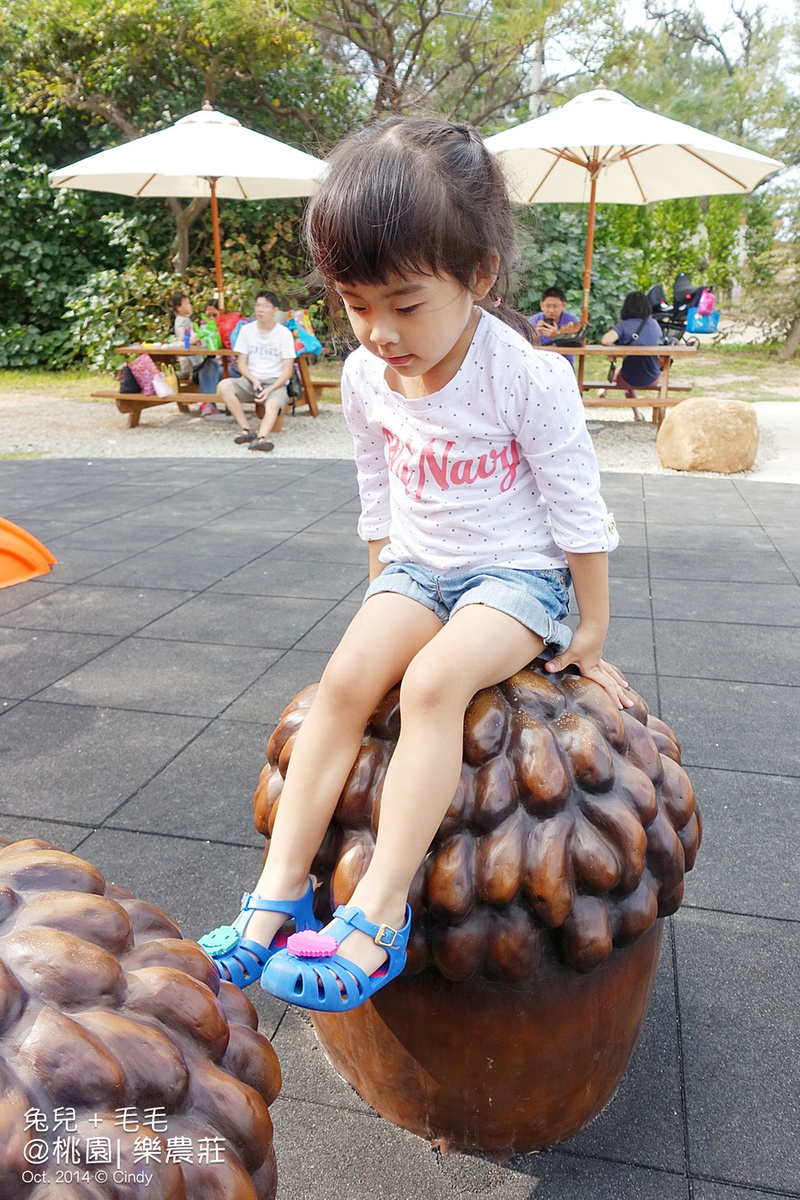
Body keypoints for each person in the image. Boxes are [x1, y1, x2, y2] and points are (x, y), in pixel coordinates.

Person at [199, 117, 630, 1013]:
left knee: (433, 686)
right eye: (356, 305)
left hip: (518, 578)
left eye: (404, 303)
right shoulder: (365, 374)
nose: (381, 332)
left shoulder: (527, 378)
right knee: (346, 675)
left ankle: (379, 911)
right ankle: (277, 892)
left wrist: (589, 626)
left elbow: (575, 508)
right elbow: (378, 482)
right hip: (422, 566)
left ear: (477, 276)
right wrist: (380, 581)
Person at [216, 291, 296, 451]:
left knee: (273, 404)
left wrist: (269, 390)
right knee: (224, 385)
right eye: (258, 305)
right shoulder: (246, 331)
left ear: (275, 310)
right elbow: (241, 364)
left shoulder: (284, 334)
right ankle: (246, 429)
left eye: (265, 306)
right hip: (251, 380)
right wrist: (254, 381)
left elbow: (288, 372)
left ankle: (262, 438)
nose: (260, 309)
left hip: (275, 382)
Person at [600, 292, 664, 422]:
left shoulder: (624, 326)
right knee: (621, 371)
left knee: (620, 373)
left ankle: (636, 413)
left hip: (629, 380)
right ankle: (603, 390)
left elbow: (605, 340)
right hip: (653, 377)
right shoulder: (654, 324)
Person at [168, 291, 223, 416]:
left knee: (211, 365)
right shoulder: (203, 330)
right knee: (209, 365)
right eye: (208, 315)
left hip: (225, 368)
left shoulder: (227, 328)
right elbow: (184, 337)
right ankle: (208, 405)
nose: (211, 319)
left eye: (215, 315)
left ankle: (208, 404)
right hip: (203, 367)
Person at [528, 286, 581, 367]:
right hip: (539, 364)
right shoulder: (534, 321)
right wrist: (536, 334)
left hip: (564, 364)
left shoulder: (572, 321)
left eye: (555, 306)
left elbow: (577, 342)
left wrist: (557, 335)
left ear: (563, 305)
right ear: (542, 306)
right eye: (548, 306)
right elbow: (523, 342)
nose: (551, 310)